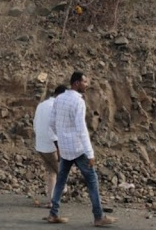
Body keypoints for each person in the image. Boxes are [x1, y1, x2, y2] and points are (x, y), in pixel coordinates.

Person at [47, 72, 116, 227]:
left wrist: (62, 137)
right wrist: (90, 153)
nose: (87, 84)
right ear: (76, 83)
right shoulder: (78, 102)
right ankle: (98, 217)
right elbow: (81, 129)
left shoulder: (59, 99)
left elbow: (51, 123)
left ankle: (53, 213)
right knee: (92, 181)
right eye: (85, 82)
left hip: (65, 149)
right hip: (78, 150)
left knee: (61, 180)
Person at [34, 85, 67, 209]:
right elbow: (53, 129)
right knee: (62, 172)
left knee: (52, 172)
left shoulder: (41, 105)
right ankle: (56, 200)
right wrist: (59, 147)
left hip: (40, 145)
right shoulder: (55, 107)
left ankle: (50, 200)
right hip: (51, 146)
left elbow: (35, 125)